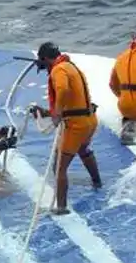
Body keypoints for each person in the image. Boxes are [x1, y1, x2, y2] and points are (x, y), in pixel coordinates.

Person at [29, 42, 103, 216]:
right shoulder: (70, 66)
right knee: (83, 149)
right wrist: (47, 112)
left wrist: (57, 114)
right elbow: (73, 102)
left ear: (46, 59)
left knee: (59, 167)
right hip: (89, 120)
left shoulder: (58, 70)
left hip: (76, 125)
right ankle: (97, 182)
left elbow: (62, 89)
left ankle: (61, 207)